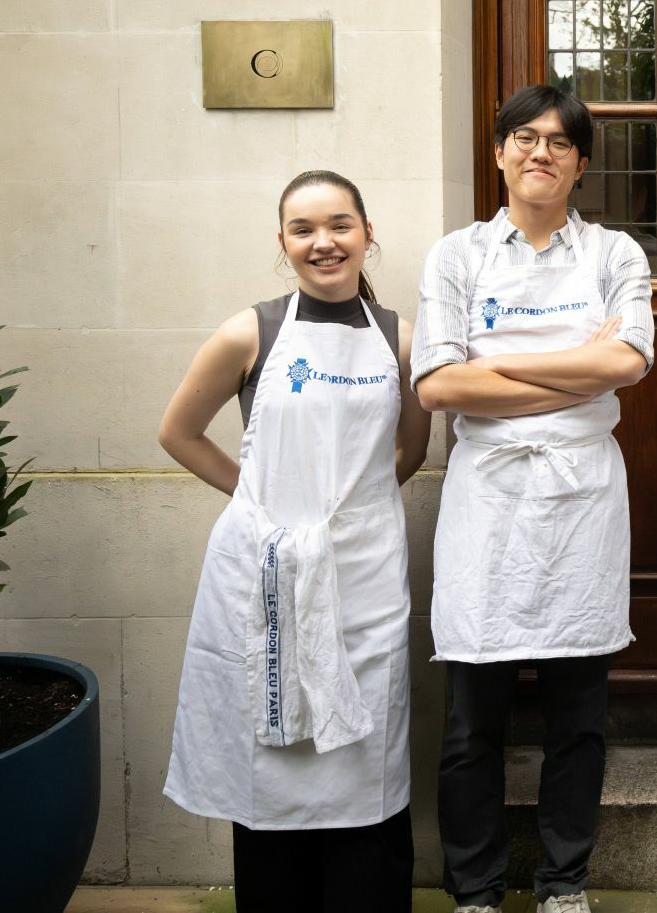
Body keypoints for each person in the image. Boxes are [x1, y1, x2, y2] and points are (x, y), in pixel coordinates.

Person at [158, 170, 432, 913]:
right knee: (273, 764)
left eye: (340, 225)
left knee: (363, 762)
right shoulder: (250, 332)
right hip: (267, 579)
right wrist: (261, 507)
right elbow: (177, 434)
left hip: (364, 585)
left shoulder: (404, 341)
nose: (324, 242)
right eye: (304, 229)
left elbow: (407, 455)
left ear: (368, 233)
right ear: (282, 243)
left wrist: (348, 516)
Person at [411, 85, 654, 913]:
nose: (539, 151)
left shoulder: (615, 254)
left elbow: (626, 365)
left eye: (558, 141)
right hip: (488, 498)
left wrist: (500, 369)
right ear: (499, 153)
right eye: (523, 137)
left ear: (581, 163)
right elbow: (440, 386)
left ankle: (563, 884)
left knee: (577, 714)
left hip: (583, 499)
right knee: (473, 716)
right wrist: (570, 368)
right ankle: (476, 891)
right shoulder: (458, 256)